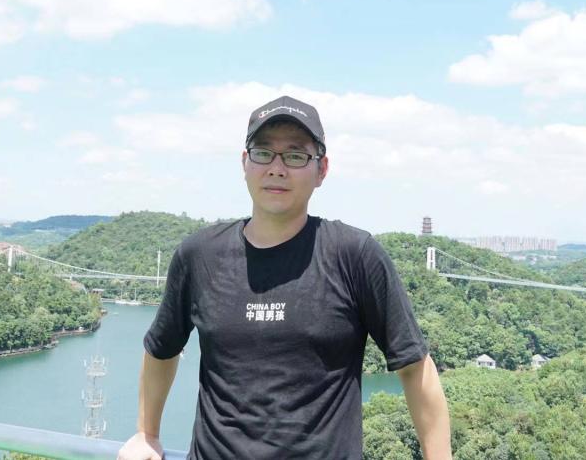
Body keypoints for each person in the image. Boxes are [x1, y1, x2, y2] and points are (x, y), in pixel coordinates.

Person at [118, 96, 452, 460]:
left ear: (322, 170)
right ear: (245, 163)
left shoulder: (354, 255)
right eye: (263, 153)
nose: (277, 168)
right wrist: (146, 433)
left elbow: (415, 367)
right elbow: (161, 348)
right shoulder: (200, 255)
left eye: (295, 156)